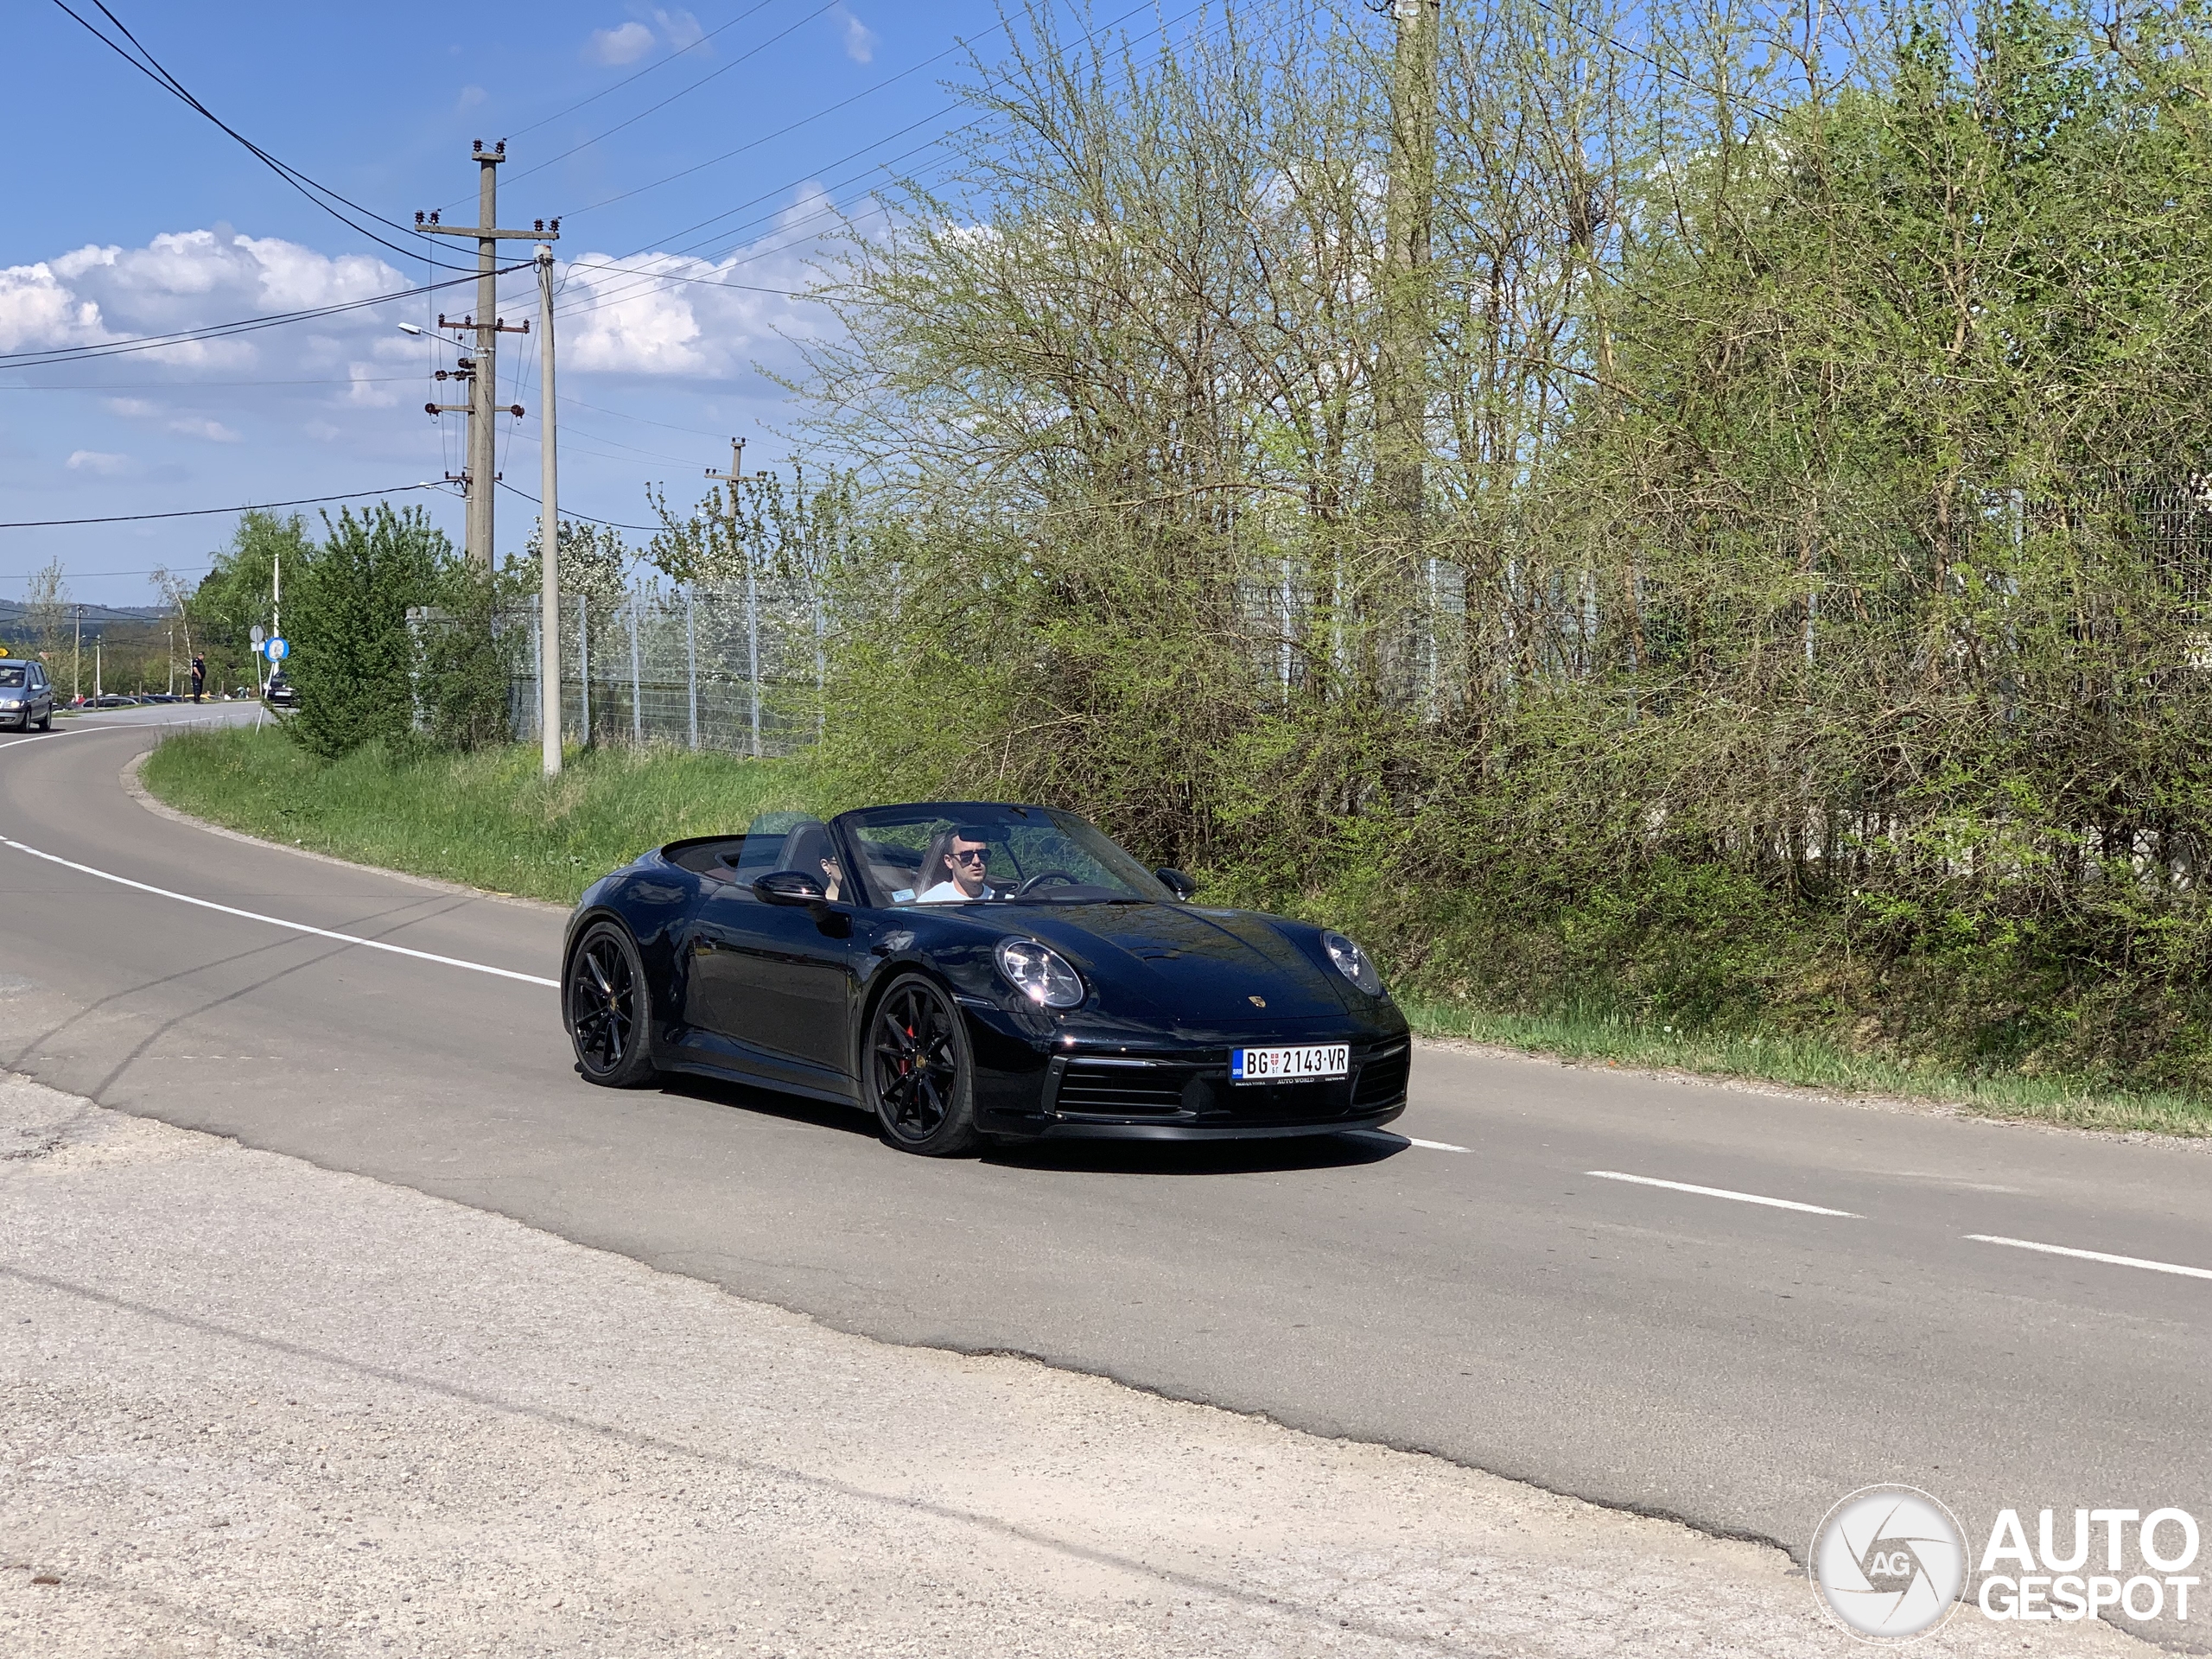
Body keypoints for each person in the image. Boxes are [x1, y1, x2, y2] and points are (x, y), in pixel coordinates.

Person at [915, 825, 998, 903]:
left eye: (982, 854)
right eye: (966, 856)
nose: (976, 861)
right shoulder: (931, 903)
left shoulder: (1002, 901)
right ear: (949, 861)